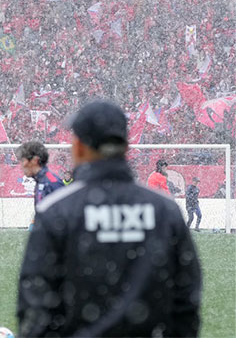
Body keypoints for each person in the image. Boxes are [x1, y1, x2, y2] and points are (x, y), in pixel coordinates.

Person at [17, 100, 202, 337]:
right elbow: (187, 300)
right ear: (125, 147)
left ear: (79, 147)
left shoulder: (57, 211)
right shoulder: (165, 210)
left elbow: (36, 305)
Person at [15, 141, 65, 209]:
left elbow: (66, 215)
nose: (21, 166)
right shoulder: (40, 180)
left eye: (23, 161)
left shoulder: (52, 182)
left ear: (35, 160)